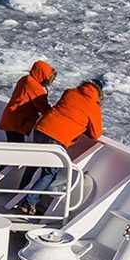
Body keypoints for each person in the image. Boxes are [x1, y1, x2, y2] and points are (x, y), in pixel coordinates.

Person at [26, 79, 105, 215]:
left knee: (33, 164)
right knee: (50, 172)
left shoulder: (70, 92)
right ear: (99, 95)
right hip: (57, 138)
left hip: (40, 128)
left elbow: (65, 110)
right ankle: (29, 202)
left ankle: (20, 192)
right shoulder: (93, 106)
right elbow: (96, 134)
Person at [0, 59, 56, 197]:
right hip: (16, 123)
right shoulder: (33, 86)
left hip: (13, 121)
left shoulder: (26, 79)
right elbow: (42, 107)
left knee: (12, 154)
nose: (49, 81)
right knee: (14, 155)